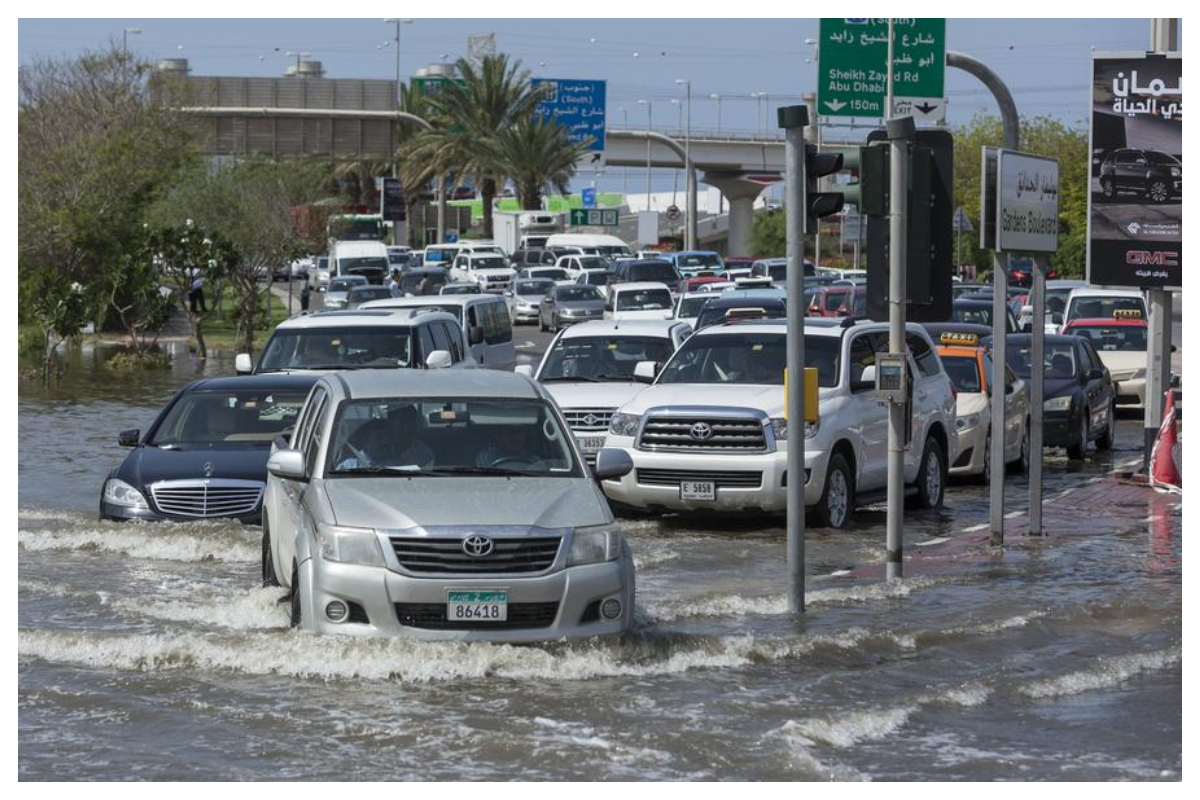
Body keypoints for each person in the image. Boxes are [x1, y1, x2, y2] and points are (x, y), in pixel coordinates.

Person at [335, 406, 434, 471]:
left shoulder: (399, 465)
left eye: (387, 438)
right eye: (378, 438)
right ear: (366, 441)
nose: (384, 442)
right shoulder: (348, 466)